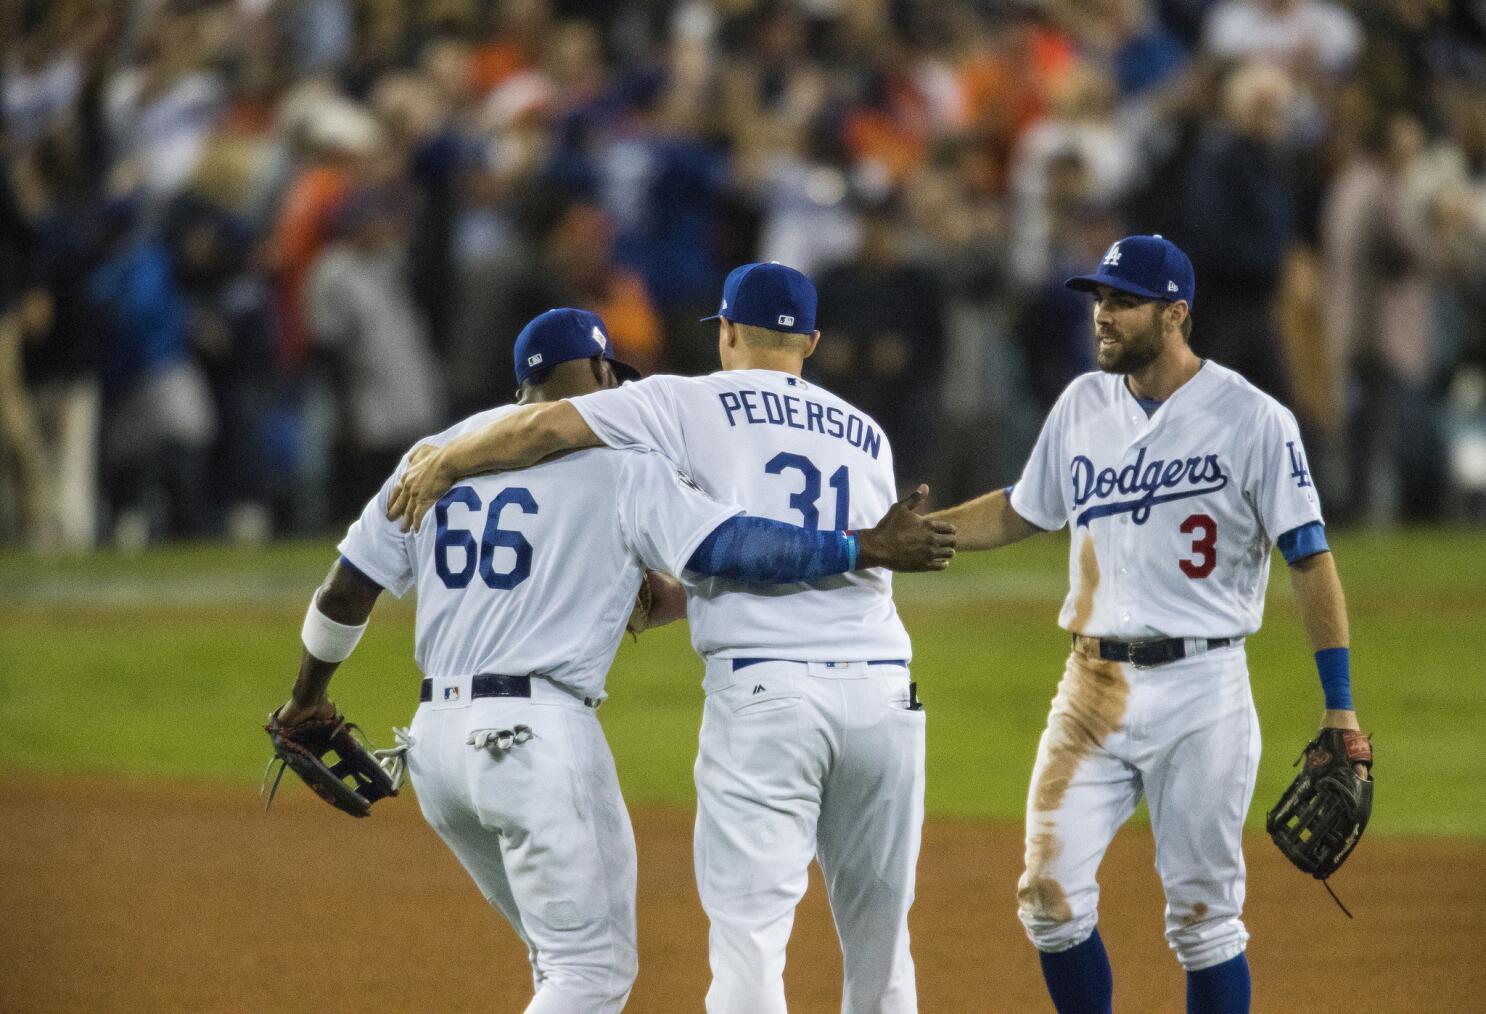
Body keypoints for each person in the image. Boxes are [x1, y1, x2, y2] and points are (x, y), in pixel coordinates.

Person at [270, 307, 952, 1014]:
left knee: (558, 959)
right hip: (536, 743)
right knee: (589, 972)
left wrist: (307, 699)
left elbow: (346, 591)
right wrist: (859, 548)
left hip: (438, 752)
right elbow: (725, 551)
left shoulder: (434, 456)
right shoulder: (623, 462)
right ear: (601, 372)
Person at [928, 235, 1370, 1014]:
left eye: (1122, 301)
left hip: (1204, 692)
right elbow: (1021, 509)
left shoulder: (1253, 419)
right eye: (1099, 297)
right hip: (1090, 687)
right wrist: (922, 537)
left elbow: (1309, 558)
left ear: (1175, 315)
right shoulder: (1081, 406)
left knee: (1204, 923)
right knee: (1046, 897)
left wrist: (1340, 705)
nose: (1103, 314)